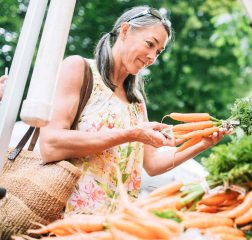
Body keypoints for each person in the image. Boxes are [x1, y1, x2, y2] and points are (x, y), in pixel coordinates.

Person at [39, 6, 228, 215]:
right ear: (125, 31)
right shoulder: (80, 69)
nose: (152, 57)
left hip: (115, 227)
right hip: (68, 221)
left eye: (158, 51)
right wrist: (130, 134)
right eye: (149, 44)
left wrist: (202, 143)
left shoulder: (136, 103)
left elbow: (153, 164)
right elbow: (50, 144)